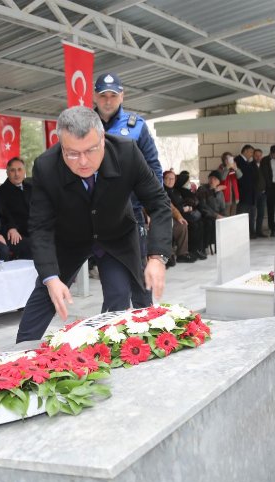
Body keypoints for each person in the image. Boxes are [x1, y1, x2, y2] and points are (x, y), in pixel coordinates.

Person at [15, 106, 171, 343]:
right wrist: (51, 278)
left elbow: (159, 203)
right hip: (69, 238)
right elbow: (40, 226)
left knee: (119, 294)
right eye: (72, 154)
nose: (83, 162)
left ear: (103, 139)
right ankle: (18, 355)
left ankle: (106, 347)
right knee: (48, 294)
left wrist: (157, 256)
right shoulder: (46, 166)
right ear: (61, 145)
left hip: (115, 232)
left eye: (90, 150)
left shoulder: (127, 152)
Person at [93, 72, 162, 308]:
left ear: (122, 96)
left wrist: (155, 207)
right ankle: (109, 339)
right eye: (103, 95)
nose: (108, 100)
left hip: (132, 216)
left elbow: (154, 168)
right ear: (95, 97)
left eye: (114, 95)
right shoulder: (83, 125)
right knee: (116, 292)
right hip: (99, 219)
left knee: (141, 284)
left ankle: (146, 333)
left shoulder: (136, 126)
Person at [0, 157, 32, 238]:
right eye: (12, 170)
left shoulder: (31, 188)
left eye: (20, 170)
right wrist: (11, 227)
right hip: (18, 233)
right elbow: (4, 216)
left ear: (24, 172)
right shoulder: (0, 192)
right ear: (7, 173)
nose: (17, 174)